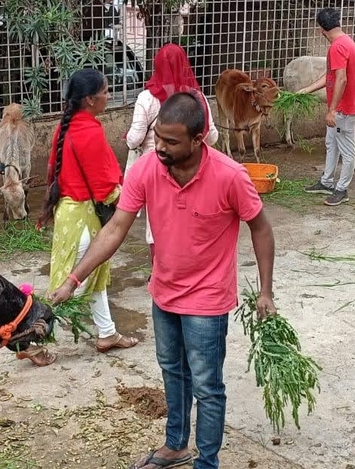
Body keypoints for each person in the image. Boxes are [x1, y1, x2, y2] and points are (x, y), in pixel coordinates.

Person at [49, 91, 276, 469]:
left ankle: (207, 461)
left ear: (198, 139)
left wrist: (266, 291)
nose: (159, 147)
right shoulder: (145, 170)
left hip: (207, 300)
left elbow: (261, 229)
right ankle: (175, 445)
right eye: (158, 137)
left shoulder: (230, 175)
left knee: (206, 386)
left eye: (171, 141)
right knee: (172, 371)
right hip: (164, 293)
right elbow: (115, 229)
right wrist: (74, 279)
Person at [25, 68, 139, 367]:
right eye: (105, 91)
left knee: (93, 277)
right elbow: (106, 189)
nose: (109, 95)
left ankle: (107, 333)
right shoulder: (90, 131)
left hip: (67, 214)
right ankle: (31, 340)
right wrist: (136, 198)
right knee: (71, 286)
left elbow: (54, 173)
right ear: (90, 99)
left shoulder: (66, 127)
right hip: (85, 219)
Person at [124, 43, 219, 252]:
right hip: (192, 168)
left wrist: (129, 139)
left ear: (156, 65)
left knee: (156, 224)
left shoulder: (146, 98)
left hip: (156, 166)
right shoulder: (196, 97)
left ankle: (158, 273)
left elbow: (134, 139)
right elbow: (211, 137)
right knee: (189, 218)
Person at [297, 7, 355, 206]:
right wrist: (307, 90)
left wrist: (332, 110)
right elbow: (331, 76)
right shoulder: (346, 42)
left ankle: (341, 189)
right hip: (342, 107)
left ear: (321, 29)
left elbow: (341, 79)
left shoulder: (338, 47)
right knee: (331, 144)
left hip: (343, 110)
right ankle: (326, 181)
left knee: (346, 150)